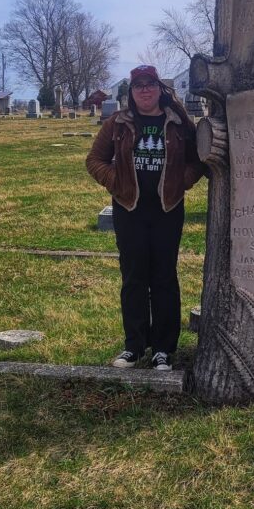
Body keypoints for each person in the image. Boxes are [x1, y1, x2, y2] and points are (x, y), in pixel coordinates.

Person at [86, 65, 206, 371]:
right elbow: (94, 160)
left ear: (159, 89)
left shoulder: (177, 123)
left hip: (167, 209)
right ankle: (134, 346)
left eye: (149, 84)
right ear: (131, 92)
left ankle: (163, 349)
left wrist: (181, 181)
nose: (144, 90)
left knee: (164, 277)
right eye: (138, 86)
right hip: (129, 210)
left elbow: (198, 160)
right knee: (134, 278)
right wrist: (116, 181)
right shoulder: (118, 122)